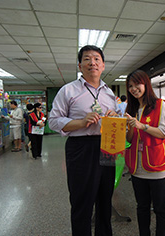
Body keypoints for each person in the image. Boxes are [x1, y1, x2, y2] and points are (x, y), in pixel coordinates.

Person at [48, 45, 119, 236]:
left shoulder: (109, 93)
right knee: (82, 201)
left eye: (97, 59)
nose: (92, 63)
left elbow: (116, 122)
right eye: (87, 59)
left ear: (103, 65)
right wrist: (80, 122)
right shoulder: (68, 90)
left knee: (105, 200)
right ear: (80, 65)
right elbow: (53, 121)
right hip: (81, 148)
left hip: (107, 147)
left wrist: (115, 117)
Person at [125, 70, 165, 236]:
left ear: (145, 83)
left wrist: (142, 126)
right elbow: (130, 139)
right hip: (138, 167)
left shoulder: (159, 104)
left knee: (160, 208)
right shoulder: (132, 107)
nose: (133, 89)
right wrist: (129, 127)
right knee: (142, 207)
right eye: (130, 86)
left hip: (158, 166)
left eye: (137, 84)